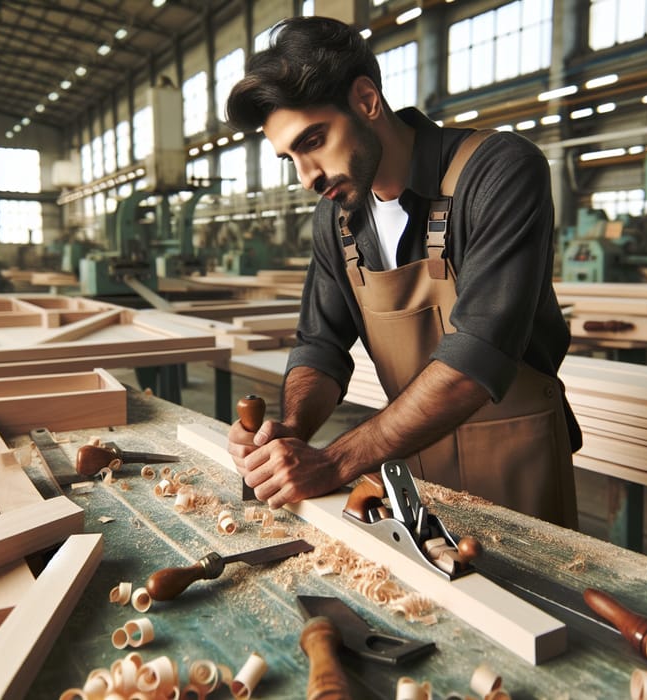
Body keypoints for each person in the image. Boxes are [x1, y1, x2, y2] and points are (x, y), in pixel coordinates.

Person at [225, 16, 581, 528]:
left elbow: (477, 358)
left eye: (314, 141)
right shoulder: (336, 216)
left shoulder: (499, 171)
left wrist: (334, 461)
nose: (307, 177)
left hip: (519, 468)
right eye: (289, 159)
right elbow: (320, 346)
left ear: (367, 100)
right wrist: (290, 432)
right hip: (410, 471)